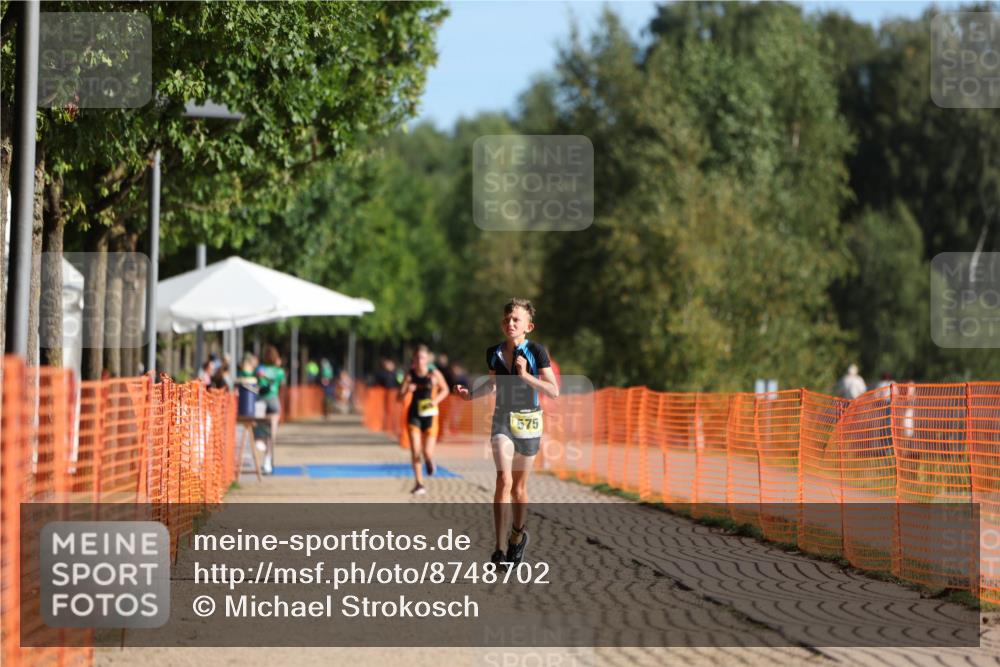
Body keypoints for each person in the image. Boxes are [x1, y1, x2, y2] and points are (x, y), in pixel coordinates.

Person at [455, 298, 559, 566]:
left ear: (529, 326)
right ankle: (499, 549)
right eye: (506, 319)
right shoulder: (494, 352)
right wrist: (470, 396)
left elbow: (553, 391)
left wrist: (526, 377)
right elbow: (491, 386)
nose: (509, 323)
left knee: (519, 488)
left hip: (529, 421)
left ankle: (517, 535)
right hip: (502, 418)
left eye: (516, 320)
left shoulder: (537, 352)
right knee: (503, 479)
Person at [399, 345, 449, 495]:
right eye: (417, 358)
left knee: (427, 451)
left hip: (431, 415)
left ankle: (429, 461)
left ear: (427, 359)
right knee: (415, 450)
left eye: (422, 357)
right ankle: (419, 483)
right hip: (414, 415)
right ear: (414, 360)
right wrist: (407, 390)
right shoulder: (409, 375)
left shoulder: (434, 374)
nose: (420, 360)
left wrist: (436, 400)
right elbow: (398, 397)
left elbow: (445, 389)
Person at [256, 345, 286, 473]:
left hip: (261, 400)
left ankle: (259, 441)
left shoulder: (260, 369)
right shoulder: (279, 371)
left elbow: (256, 379)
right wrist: (278, 366)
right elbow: (282, 382)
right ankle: (268, 461)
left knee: (259, 427)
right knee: (272, 432)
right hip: (273, 401)